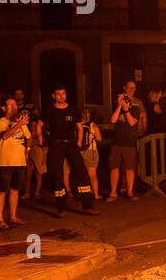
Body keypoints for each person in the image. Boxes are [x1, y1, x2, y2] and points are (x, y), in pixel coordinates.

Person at [44, 87, 99, 216]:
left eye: (63, 93)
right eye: (58, 94)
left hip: (70, 144)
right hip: (56, 144)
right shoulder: (50, 109)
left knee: (82, 171)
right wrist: (43, 141)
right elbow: (40, 124)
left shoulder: (73, 109)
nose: (61, 96)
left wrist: (79, 142)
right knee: (57, 174)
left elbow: (79, 127)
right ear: (54, 96)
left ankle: (88, 206)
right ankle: (60, 209)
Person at [0, 98, 30, 229]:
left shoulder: (20, 122)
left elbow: (29, 137)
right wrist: (19, 125)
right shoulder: (0, 122)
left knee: (15, 190)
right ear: (4, 108)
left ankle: (13, 216)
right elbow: (4, 136)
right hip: (6, 162)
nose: (14, 107)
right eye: (10, 105)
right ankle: (0, 219)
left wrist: (27, 149)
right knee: (2, 190)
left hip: (19, 161)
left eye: (15, 105)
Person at [108, 80, 145, 201]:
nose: (131, 90)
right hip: (117, 142)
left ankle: (130, 192)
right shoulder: (118, 105)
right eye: (129, 88)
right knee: (114, 168)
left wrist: (126, 109)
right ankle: (113, 192)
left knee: (129, 168)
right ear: (125, 88)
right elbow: (113, 120)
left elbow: (132, 122)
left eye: (133, 88)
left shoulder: (135, 107)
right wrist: (120, 105)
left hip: (129, 142)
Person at [80, 107, 103, 199]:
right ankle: (96, 194)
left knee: (82, 174)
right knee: (92, 175)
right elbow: (99, 138)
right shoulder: (93, 125)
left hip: (79, 151)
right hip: (90, 151)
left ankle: (84, 192)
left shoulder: (78, 124)